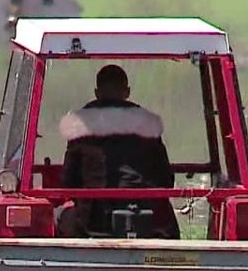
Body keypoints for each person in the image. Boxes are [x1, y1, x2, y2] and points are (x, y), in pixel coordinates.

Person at [55, 64, 179, 238]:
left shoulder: (80, 123)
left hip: (92, 221)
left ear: (97, 92)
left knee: (59, 215)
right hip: (145, 219)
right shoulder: (148, 122)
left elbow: (68, 182)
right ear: (127, 92)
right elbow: (165, 179)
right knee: (168, 219)